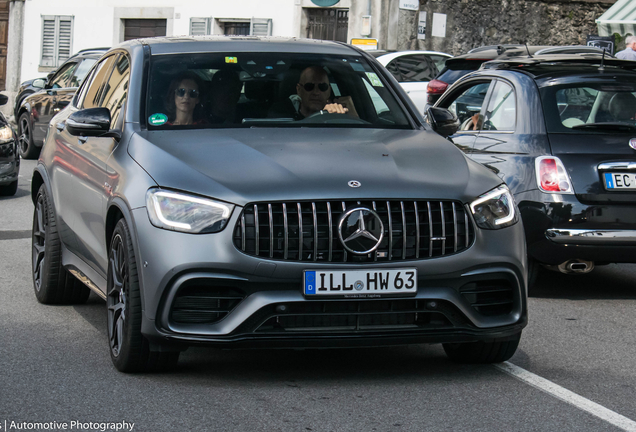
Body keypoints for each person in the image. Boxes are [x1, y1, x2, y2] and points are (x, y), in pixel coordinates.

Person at [270, 66, 355, 120]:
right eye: (309, 86)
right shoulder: (280, 114)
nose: (316, 92)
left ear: (329, 91)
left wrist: (349, 115)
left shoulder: (338, 115)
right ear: (299, 90)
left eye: (323, 87)